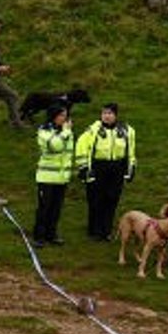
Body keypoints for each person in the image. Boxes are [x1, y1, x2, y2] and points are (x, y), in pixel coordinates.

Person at [75, 102, 136, 241]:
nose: (106, 116)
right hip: (98, 167)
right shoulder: (92, 130)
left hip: (117, 168)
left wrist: (131, 168)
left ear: (116, 115)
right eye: (104, 113)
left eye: (110, 113)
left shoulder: (127, 130)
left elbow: (130, 151)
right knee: (96, 200)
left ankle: (106, 231)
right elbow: (81, 147)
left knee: (112, 199)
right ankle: (94, 231)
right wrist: (83, 167)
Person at [31, 103, 75, 246]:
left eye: (66, 115)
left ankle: (52, 234)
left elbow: (68, 153)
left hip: (62, 177)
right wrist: (66, 132)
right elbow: (55, 146)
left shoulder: (65, 131)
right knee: (44, 208)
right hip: (46, 177)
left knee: (56, 208)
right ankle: (39, 237)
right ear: (53, 116)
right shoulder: (44, 130)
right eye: (62, 115)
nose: (65, 118)